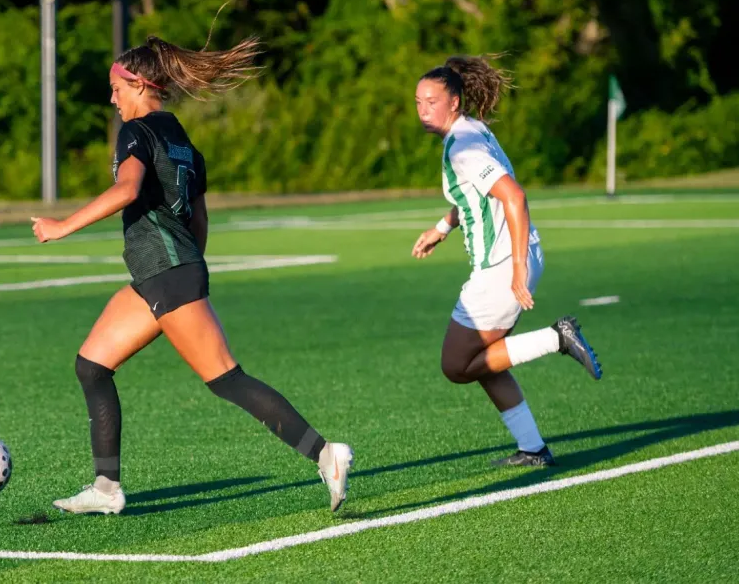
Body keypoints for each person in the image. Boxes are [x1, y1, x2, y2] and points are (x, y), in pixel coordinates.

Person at [31, 31, 353, 514]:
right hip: (164, 274)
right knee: (92, 366)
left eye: (117, 88)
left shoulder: (136, 132)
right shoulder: (182, 140)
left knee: (227, 379)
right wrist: (188, 268)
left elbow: (126, 190)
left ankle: (326, 453)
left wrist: (62, 227)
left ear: (140, 84)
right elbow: (199, 220)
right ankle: (105, 488)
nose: (112, 97)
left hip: (166, 274)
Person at [411, 55, 602, 467]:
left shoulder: (462, 147)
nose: (424, 109)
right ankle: (533, 448)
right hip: (517, 257)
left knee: (456, 366)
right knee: (485, 363)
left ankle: (557, 337)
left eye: (432, 101)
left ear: (455, 102)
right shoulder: (471, 131)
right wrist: (442, 228)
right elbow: (475, 199)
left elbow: (513, 196)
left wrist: (516, 268)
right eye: (418, 102)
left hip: (501, 267)